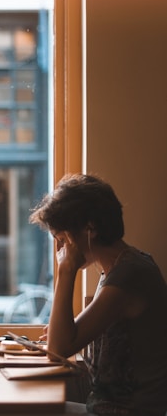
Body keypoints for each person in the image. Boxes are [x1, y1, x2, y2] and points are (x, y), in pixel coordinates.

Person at [29, 173, 167, 416]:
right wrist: (62, 332)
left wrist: (66, 271)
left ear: (90, 228)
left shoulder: (129, 275)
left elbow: (59, 348)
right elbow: (65, 339)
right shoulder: (119, 269)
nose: (60, 251)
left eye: (62, 240)